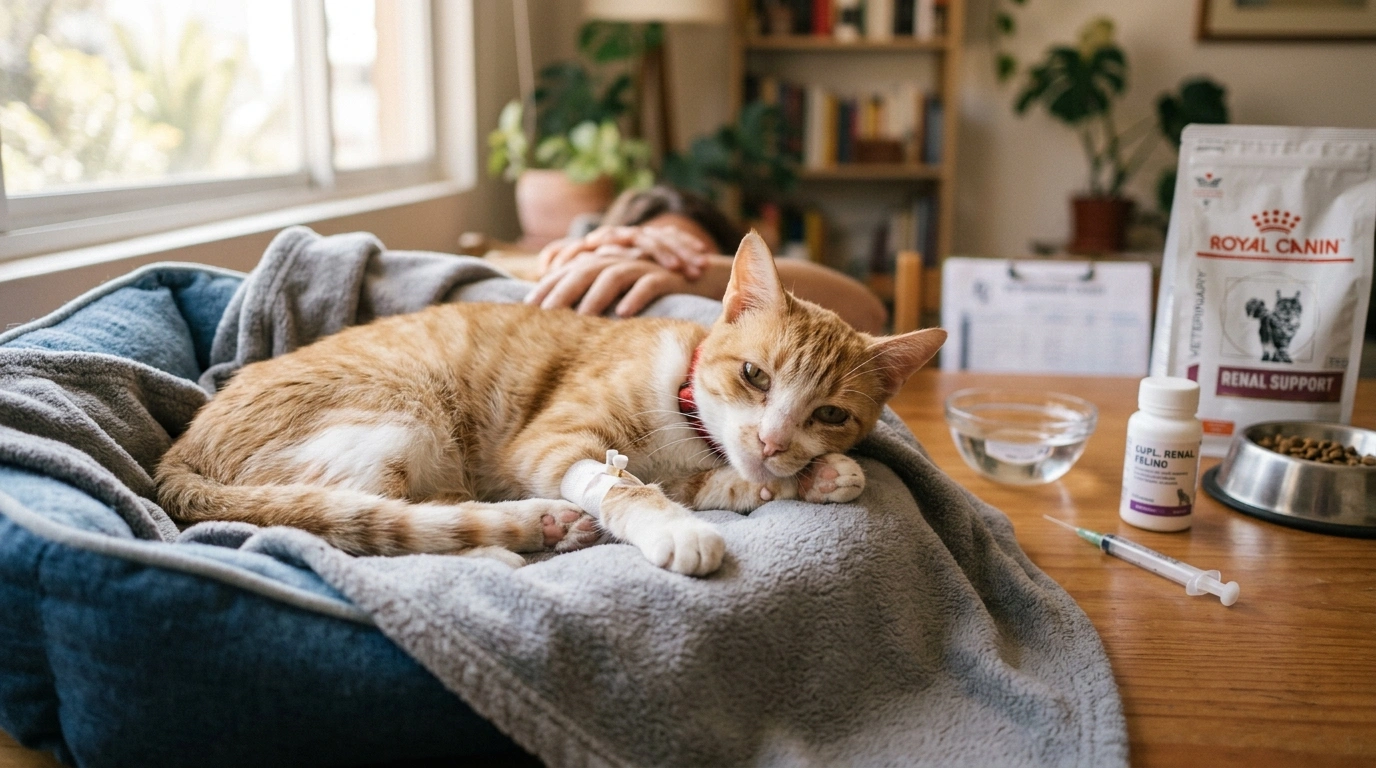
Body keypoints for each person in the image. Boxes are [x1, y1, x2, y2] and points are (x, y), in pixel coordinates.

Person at [525, 186, 889, 334]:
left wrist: (699, 275)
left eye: (685, 258)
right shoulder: (579, 261)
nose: (661, 273)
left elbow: (868, 315)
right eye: (650, 257)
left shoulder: (735, 298)